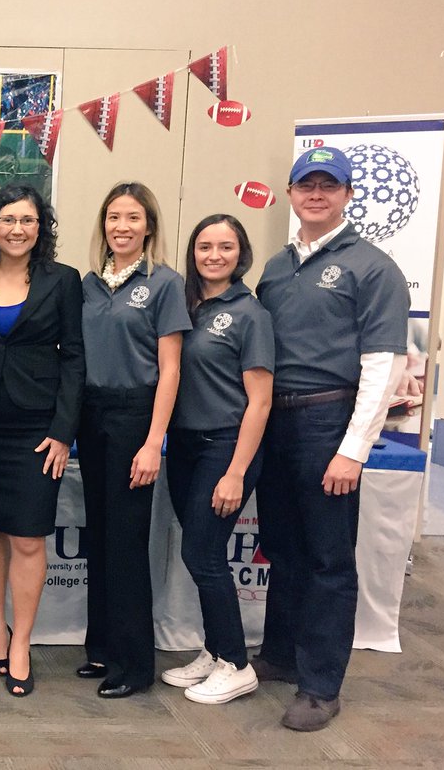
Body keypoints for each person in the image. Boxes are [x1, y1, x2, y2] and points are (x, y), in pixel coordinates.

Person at [253, 148, 409, 731]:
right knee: (284, 548)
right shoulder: (275, 266)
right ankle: (281, 654)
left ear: (346, 195)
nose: (316, 194)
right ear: (290, 194)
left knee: (327, 559)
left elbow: (382, 365)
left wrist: (353, 449)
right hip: (276, 422)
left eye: (329, 185)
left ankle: (320, 686)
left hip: (328, 420)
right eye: (306, 184)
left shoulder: (372, 267)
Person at [0, 184, 84, 697]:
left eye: (27, 220)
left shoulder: (63, 280)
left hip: (37, 428)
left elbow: (75, 357)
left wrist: (62, 431)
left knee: (29, 536)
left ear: (41, 227)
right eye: (7, 219)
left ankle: (22, 641)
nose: (17, 229)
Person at [75, 181, 190, 699]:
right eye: (113, 217)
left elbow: (170, 370)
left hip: (134, 418)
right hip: (92, 416)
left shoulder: (164, 283)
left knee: (124, 544)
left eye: (133, 218)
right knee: (98, 537)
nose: (122, 226)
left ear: (149, 226)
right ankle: (101, 648)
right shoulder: (88, 284)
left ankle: (135, 664)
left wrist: (153, 441)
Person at [159, 214, 273, 704]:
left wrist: (235, 471)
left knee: (202, 554)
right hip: (184, 445)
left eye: (225, 247)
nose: (214, 256)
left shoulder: (250, 313)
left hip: (225, 446)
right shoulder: (184, 304)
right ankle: (215, 650)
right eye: (205, 246)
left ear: (240, 253)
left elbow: (261, 400)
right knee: (201, 550)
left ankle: (237, 664)